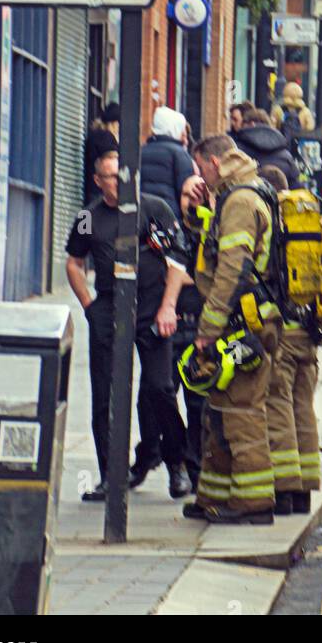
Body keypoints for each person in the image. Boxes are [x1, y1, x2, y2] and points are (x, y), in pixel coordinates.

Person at [65, 153, 191, 502]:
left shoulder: (154, 209)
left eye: (123, 175)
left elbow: (177, 261)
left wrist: (168, 307)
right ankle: (111, 476)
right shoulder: (88, 218)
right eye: (110, 177)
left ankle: (176, 465)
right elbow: (74, 262)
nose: (118, 183)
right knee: (104, 394)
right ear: (97, 181)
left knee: (160, 388)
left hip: (153, 307)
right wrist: (89, 306)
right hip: (108, 306)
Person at [184, 134, 281, 525]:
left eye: (199, 167)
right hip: (239, 320)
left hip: (245, 322)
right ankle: (213, 498)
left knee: (242, 412)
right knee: (221, 411)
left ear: (213, 161)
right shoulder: (239, 193)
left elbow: (232, 270)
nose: (199, 175)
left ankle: (255, 504)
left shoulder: (240, 201)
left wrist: (208, 326)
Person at [253, 165, 322, 515]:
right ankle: (306, 491)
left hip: (282, 331)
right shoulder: (307, 224)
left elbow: (262, 274)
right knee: (303, 408)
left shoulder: (274, 227)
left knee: (277, 406)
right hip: (309, 332)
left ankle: (285, 491)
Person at [171, 173, 211, 490]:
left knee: (197, 403)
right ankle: (174, 460)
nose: (191, 200)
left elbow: (200, 276)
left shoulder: (210, 230)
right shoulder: (170, 230)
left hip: (199, 327)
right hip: (171, 325)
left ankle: (194, 468)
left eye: (197, 194)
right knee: (158, 396)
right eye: (186, 195)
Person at [140, 106, 196, 215]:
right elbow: (187, 191)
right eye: (183, 133)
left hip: (142, 216)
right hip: (169, 217)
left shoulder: (141, 151)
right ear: (174, 129)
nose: (186, 140)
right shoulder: (180, 154)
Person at [232, 107, 301, 188]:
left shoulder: (237, 151)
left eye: (243, 124)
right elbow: (296, 186)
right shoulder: (286, 156)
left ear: (252, 124)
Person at [83, 103, 120, 205]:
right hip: (101, 191)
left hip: (91, 189)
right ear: (114, 124)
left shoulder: (94, 135)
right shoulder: (107, 138)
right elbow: (112, 162)